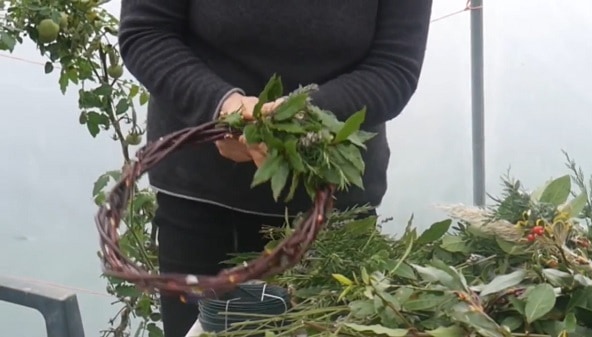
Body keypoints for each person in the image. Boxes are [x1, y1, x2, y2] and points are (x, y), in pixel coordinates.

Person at [118, 1, 433, 336]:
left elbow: (394, 67)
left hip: (332, 215)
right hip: (202, 209)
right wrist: (221, 107)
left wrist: (304, 116)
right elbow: (146, 32)